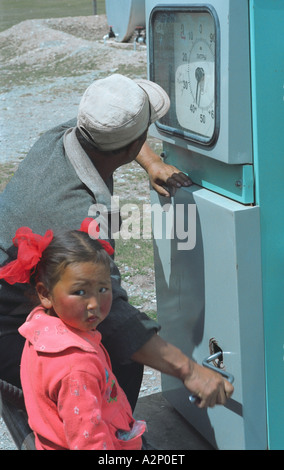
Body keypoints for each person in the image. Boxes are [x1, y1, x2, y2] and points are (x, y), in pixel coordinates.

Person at [0, 73, 233, 411]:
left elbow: (116, 136)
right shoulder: (79, 221)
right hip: (11, 329)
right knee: (112, 360)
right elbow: (115, 319)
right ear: (127, 147)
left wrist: (152, 162)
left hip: (25, 299)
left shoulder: (65, 137)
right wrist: (191, 371)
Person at [0, 219, 146, 450]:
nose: (94, 303)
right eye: (80, 292)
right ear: (45, 293)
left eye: (103, 289)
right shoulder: (77, 367)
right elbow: (90, 442)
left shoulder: (40, 326)